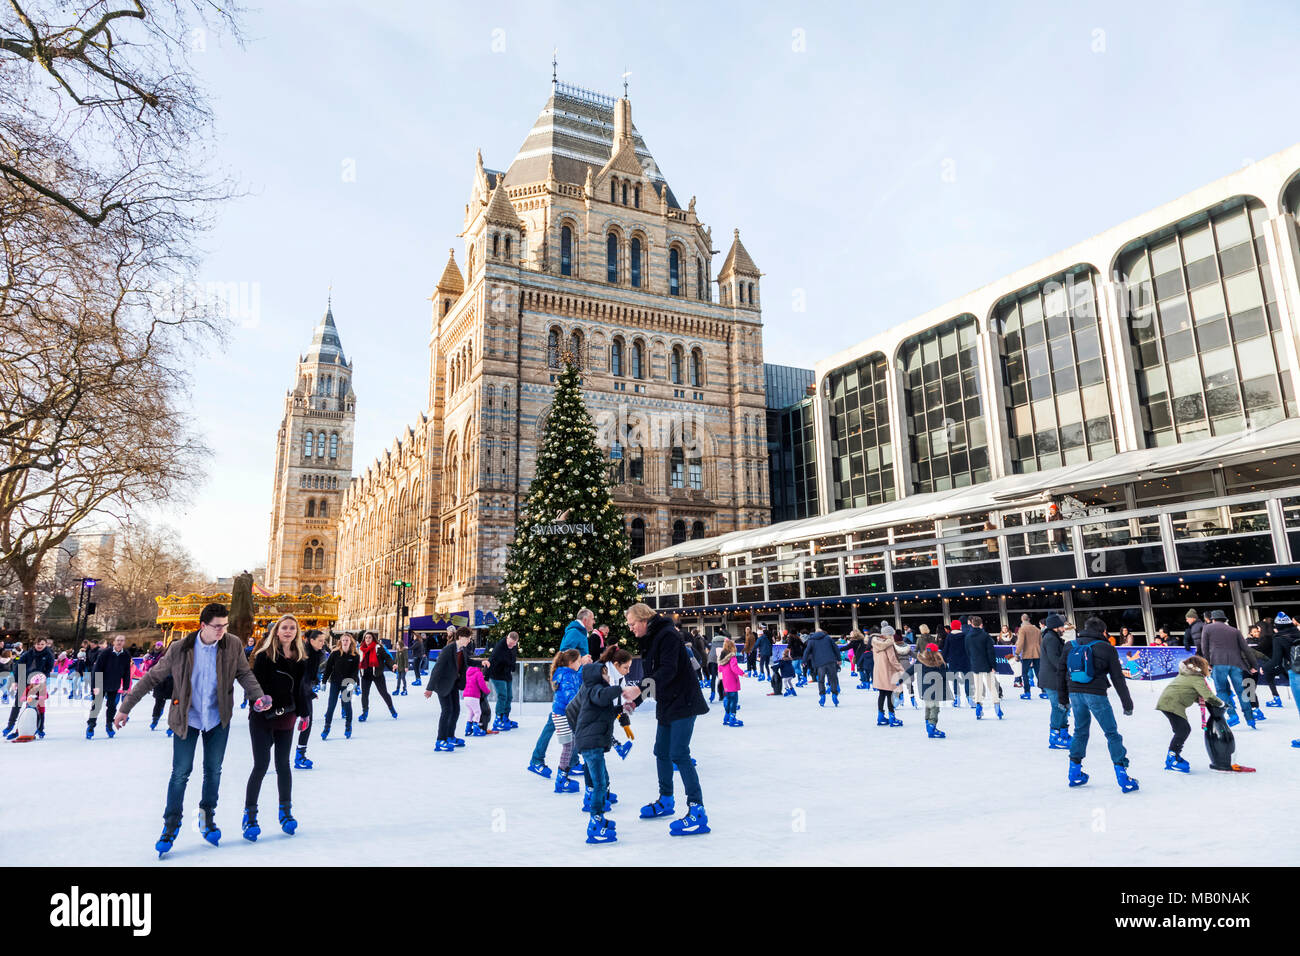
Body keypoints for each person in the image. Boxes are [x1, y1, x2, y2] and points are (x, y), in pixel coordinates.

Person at [115, 602, 270, 856]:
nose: (222, 631)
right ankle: (171, 824)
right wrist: (125, 707)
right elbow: (152, 677)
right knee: (180, 773)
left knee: (213, 771)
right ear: (203, 626)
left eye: (225, 626)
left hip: (218, 718)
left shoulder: (232, 645)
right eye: (217, 626)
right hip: (185, 719)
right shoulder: (181, 648)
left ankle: (207, 817)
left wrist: (258, 696)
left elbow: (244, 674)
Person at [626, 602, 711, 836]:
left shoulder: (667, 636)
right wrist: (637, 700)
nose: (631, 629)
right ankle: (666, 800)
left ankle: (697, 810)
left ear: (644, 620)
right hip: (667, 702)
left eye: (632, 624)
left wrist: (638, 689)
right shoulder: (651, 638)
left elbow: (667, 671)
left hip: (684, 701)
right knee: (660, 751)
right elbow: (654, 675)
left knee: (679, 754)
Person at [242, 614, 312, 841]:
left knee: (283, 765)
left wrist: (304, 714)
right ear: (277, 631)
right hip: (263, 717)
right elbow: (255, 685)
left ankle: (286, 812)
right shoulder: (264, 656)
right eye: (285, 627)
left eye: (292, 628)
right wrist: (258, 702)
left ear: (297, 632)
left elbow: (301, 689)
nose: (288, 631)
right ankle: (250, 815)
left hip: (287, 717)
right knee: (261, 765)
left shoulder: (302, 657)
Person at [1062, 615, 1138, 792]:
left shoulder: (1070, 646)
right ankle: (1122, 775)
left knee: (1080, 731)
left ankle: (1074, 773)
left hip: (1075, 694)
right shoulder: (1106, 648)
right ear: (1102, 631)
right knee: (1111, 733)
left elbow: (1061, 672)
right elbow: (1118, 678)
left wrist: (1063, 699)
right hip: (1096, 694)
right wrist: (1127, 703)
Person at [574, 647, 642, 844]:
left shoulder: (598, 690)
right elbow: (603, 697)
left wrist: (624, 713)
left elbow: (609, 710)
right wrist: (620, 689)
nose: (608, 677)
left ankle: (599, 818)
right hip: (590, 744)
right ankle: (595, 822)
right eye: (605, 674)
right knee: (599, 784)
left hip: (594, 743)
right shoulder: (593, 689)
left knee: (601, 781)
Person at [1155, 655, 1222, 772]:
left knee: (1182, 729)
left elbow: (1189, 691)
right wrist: (1221, 704)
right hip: (1172, 704)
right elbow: (1208, 696)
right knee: (1183, 730)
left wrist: (1201, 701)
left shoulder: (1185, 674)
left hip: (1168, 702)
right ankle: (1172, 757)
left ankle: (1174, 754)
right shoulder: (1196, 678)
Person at [1198, 610, 1259, 728]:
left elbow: (1204, 647)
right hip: (1236, 663)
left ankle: (1232, 715)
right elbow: (1246, 649)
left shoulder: (1207, 628)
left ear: (1213, 619)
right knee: (1241, 691)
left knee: (1221, 690)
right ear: (1224, 619)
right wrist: (1253, 665)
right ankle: (1250, 718)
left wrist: (1208, 663)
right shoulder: (1234, 630)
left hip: (1218, 663)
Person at [426, 626, 472, 752]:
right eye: (468, 638)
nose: (469, 640)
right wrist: (429, 688)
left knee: (456, 710)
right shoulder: (448, 649)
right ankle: (440, 740)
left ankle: (450, 737)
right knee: (447, 710)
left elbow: (468, 661)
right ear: (461, 637)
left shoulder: (462, 650)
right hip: (442, 684)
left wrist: (482, 663)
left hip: (453, 684)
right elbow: (437, 669)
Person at [3, 637, 54, 738]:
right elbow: (18, 667)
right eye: (38, 644)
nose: (40, 646)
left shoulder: (48, 655)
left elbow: (48, 669)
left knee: (39, 706)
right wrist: (16, 681)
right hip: (24, 681)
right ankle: (10, 725)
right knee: (17, 703)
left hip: (38, 683)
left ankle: (39, 728)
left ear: (45, 645)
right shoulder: (28, 654)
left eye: (42, 644)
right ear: (34, 644)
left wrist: (41, 679)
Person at [86, 634, 132, 740]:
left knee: (112, 707)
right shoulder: (105, 653)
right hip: (101, 683)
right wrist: (95, 686)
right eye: (118, 640)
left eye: (122, 640)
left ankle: (109, 725)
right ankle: (91, 725)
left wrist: (126, 686)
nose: (119, 642)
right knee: (96, 706)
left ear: (124, 642)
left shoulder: (126, 654)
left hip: (114, 684)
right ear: (114, 642)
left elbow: (126, 671)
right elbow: (97, 669)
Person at [295, 629, 328, 769]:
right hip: (294, 692)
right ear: (311, 640)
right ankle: (263, 757)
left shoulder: (318, 654)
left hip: (305, 692)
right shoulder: (302, 652)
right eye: (320, 640)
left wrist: (311, 689)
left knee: (307, 723)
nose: (323, 643)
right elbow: (300, 676)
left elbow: (311, 677)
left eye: (323, 640)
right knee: (284, 726)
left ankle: (300, 755)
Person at [1267, 612, 1300, 747]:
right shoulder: (1298, 633)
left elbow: (1276, 660)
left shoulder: (1279, 638)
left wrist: (1265, 668)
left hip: (1296, 673)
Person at [321, 632, 360, 739]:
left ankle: (348, 727)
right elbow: (328, 668)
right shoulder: (335, 653)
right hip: (335, 682)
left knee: (347, 705)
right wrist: (324, 682)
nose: (345, 642)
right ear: (341, 642)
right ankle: (326, 727)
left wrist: (353, 683)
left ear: (350, 641)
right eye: (343, 640)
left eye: (347, 640)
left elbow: (355, 671)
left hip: (347, 682)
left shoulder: (355, 655)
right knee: (331, 705)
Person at [963, 616, 1001, 720]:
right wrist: (993, 665)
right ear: (981, 624)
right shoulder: (985, 636)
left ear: (972, 624)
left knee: (978, 687)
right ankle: (997, 706)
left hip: (975, 664)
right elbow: (990, 652)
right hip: (987, 664)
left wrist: (972, 660)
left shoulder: (968, 636)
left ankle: (978, 706)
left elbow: (967, 651)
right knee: (991, 686)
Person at [357, 632, 398, 721]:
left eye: (369, 637)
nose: (367, 639)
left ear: (373, 639)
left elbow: (387, 658)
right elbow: (357, 661)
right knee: (364, 695)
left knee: (383, 693)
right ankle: (365, 713)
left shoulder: (378, 648)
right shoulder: (360, 649)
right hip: (365, 675)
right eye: (366, 638)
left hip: (377, 674)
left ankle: (391, 709)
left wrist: (392, 665)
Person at [911, 642, 949, 738]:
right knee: (935, 708)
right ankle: (932, 726)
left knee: (928, 706)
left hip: (925, 689)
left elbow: (911, 670)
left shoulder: (921, 661)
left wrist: (901, 679)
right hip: (935, 690)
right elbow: (945, 674)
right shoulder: (939, 662)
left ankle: (928, 726)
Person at [872, 629, 905, 726]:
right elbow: (892, 660)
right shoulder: (889, 644)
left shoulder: (875, 643)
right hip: (888, 672)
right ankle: (892, 717)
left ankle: (880, 716)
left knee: (881, 694)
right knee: (890, 694)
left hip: (878, 672)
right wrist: (901, 669)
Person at [488, 630, 519, 731]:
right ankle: (498, 719)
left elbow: (513, 658)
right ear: (507, 638)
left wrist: (512, 667)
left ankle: (505, 717)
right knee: (503, 696)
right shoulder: (499, 648)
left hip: (506, 674)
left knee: (509, 696)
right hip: (496, 674)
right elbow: (491, 661)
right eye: (510, 643)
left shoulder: (514, 646)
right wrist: (486, 677)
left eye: (514, 644)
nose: (512, 646)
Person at [802, 627, 841, 707]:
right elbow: (836, 648)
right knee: (833, 679)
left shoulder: (811, 640)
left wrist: (804, 661)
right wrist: (839, 659)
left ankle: (822, 697)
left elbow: (807, 651)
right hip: (831, 661)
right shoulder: (828, 638)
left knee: (821, 680)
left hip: (820, 664)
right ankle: (834, 695)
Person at [716, 638, 745, 727]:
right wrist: (742, 673)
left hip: (726, 683)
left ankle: (727, 717)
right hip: (732, 681)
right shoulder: (732, 657)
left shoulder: (722, 659)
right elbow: (734, 668)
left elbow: (720, 669)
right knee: (734, 700)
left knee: (727, 700)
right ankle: (732, 718)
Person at [462, 657, 493, 737]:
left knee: (470, 712)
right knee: (478, 712)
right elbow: (482, 685)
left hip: (466, 697)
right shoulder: (478, 673)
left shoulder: (468, 673)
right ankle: (476, 729)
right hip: (473, 697)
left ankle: (468, 729)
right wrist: (487, 691)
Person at [944, 620, 971, 707]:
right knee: (967, 679)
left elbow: (946, 649)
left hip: (953, 661)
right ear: (960, 627)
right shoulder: (965, 635)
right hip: (965, 660)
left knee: (955, 680)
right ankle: (969, 698)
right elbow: (968, 648)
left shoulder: (949, 636)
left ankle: (957, 699)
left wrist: (943, 659)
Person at [1015, 614, 1042, 700]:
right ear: (1029, 619)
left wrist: (1017, 653)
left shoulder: (1022, 629)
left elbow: (1021, 642)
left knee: (1025, 673)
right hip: (1037, 653)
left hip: (1027, 653)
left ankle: (1027, 692)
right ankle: (1044, 691)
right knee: (1038, 672)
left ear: (1022, 619)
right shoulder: (1037, 629)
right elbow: (1041, 642)